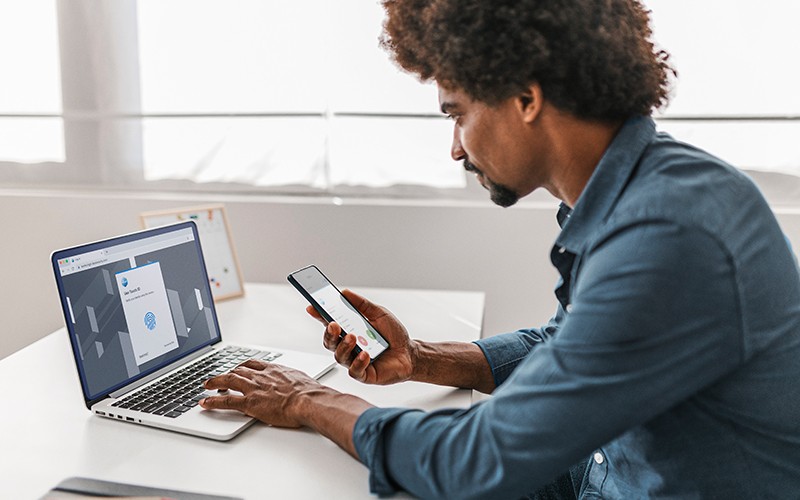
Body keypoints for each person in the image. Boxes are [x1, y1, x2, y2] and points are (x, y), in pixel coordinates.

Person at [200, 0, 800, 497]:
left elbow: (478, 461)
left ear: (526, 98)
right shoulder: (633, 195)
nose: (456, 149)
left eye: (457, 115)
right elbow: (563, 346)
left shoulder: (668, 235)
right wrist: (419, 358)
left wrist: (308, 399)